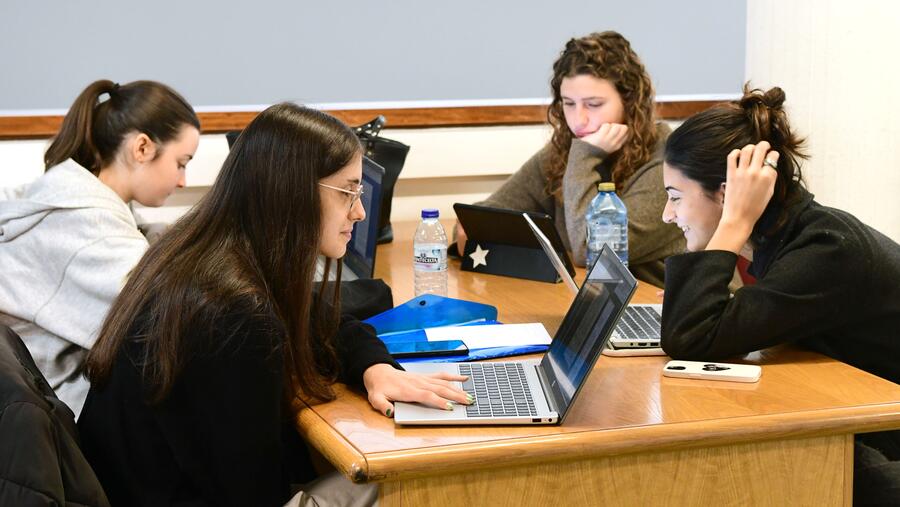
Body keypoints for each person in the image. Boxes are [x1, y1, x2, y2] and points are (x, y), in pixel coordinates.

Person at [77, 103, 473, 507]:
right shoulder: (234, 314)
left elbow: (326, 320)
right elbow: (254, 492)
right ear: (292, 190)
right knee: (400, 479)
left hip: (148, 488)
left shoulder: (208, 255)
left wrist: (375, 368)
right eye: (348, 192)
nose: (360, 210)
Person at [659, 85, 900, 505]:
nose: (668, 214)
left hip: (886, 436)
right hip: (868, 417)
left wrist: (732, 222)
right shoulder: (790, 237)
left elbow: (690, 338)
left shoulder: (826, 249)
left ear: (725, 192)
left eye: (676, 198)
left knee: (770, 464)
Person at [0, 79, 200, 417]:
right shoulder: (90, 230)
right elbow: (164, 315)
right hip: (61, 418)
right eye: (181, 162)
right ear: (142, 148)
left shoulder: (67, 199)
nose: (183, 181)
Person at [455, 31, 683, 286]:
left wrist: (584, 157)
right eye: (568, 103)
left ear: (629, 102)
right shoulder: (565, 152)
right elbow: (484, 216)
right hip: (595, 298)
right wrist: (468, 228)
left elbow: (592, 252)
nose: (578, 119)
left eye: (593, 104)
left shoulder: (668, 161)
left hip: (661, 307)